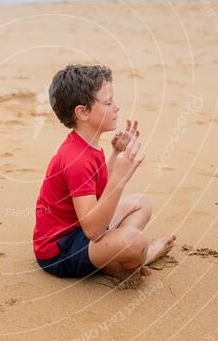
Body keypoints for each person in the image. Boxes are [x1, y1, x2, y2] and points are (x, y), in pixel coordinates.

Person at [32, 64, 175, 285]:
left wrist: (116, 153)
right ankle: (138, 259)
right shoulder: (76, 159)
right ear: (83, 112)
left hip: (80, 229)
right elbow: (94, 230)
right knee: (135, 243)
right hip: (59, 251)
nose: (116, 107)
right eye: (108, 103)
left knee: (141, 203)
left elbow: (96, 189)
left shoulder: (88, 144)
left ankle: (112, 257)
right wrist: (120, 178)